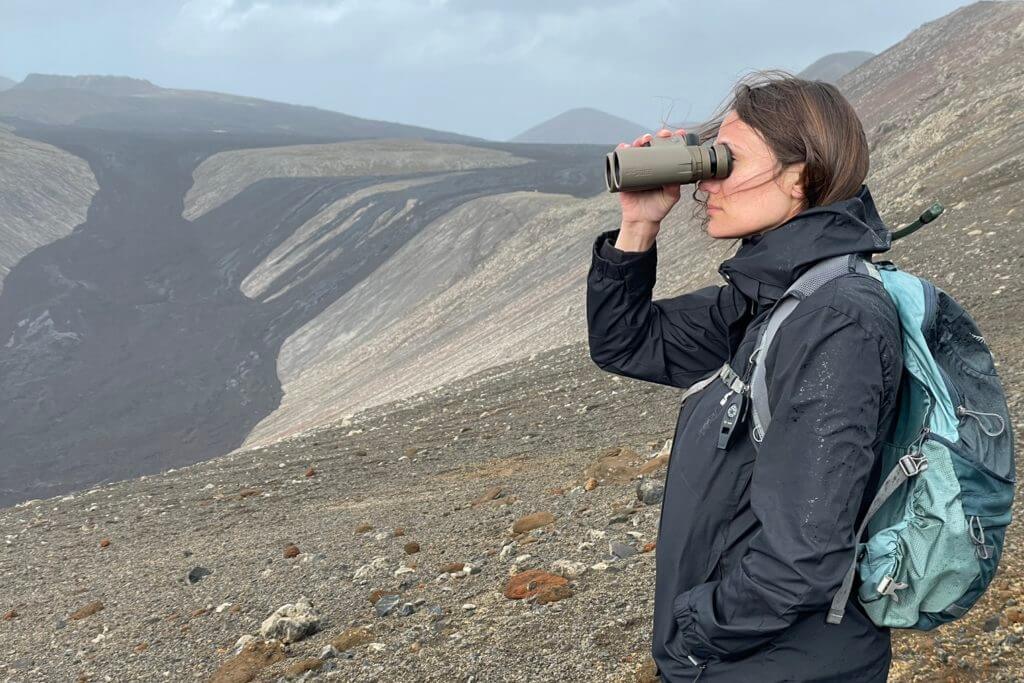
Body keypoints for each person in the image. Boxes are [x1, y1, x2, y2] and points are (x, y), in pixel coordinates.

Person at [586, 70, 905, 682]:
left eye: (725, 161)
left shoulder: (835, 321)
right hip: (751, 657)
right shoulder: (769, 301)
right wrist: (639, 223)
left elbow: (803, 556)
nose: (705, 182)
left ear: (799, 175)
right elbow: (626, 343)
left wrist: (694, 635)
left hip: (782, 665)